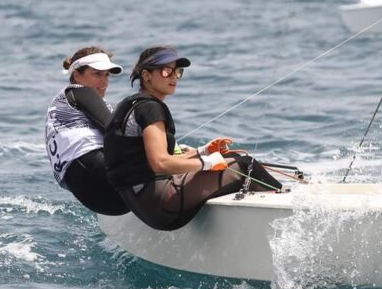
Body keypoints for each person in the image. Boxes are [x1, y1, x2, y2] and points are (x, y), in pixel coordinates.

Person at [104, 46, 282, 231]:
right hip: (159, 205)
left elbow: (150, 162)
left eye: (177, 72)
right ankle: (288, 210)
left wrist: (202, 152)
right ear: (147, 75)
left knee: (234, 161)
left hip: (141, 202)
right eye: (166, 71)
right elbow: (160, 164)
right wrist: (207, 163)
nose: (173, 76)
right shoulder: (150, 108)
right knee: (245, 165)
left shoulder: (130, 104)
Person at [45, 47, 130, 215]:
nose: (104, 81)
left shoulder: (61, 103)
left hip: (88, 194)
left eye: (107, 75)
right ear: (77, 75)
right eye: (97, 74)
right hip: (95, 171)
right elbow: (114, 130)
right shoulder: (79, 92)